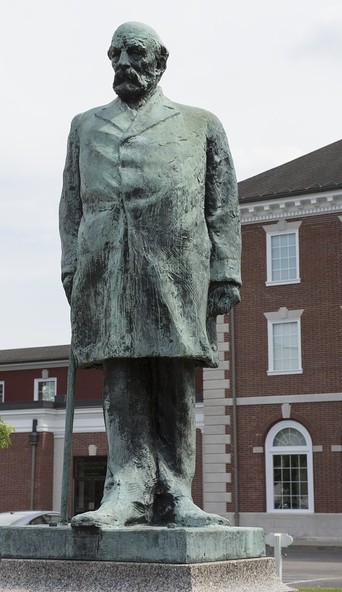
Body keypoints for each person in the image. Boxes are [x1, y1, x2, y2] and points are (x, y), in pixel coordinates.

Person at [59, 21, 241, 529]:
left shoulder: (200, 123)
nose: (123, 64)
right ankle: (127, 489)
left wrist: (225, 269)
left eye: (135, 53)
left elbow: (223, 204)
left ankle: (177, 494)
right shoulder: (85, 125)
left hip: (177, 266)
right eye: (115, 54)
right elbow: (71, 202)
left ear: (161, 60)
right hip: (108, 264)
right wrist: (72, 265)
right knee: (121, 376)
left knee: (174, 375)